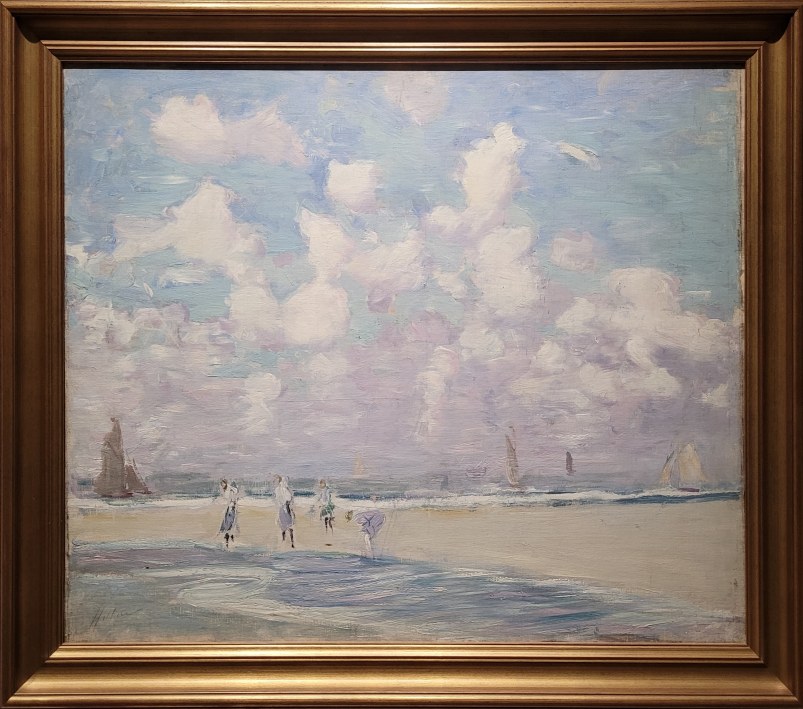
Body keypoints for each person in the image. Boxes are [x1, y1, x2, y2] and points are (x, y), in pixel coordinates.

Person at [273, 475, 295, 548]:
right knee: (285, 525)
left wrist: (285, 504)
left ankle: (288, 541)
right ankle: (288, 542)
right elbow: (288, 499)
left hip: (284, 508)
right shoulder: (279, 489)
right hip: (284, 508)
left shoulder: (282, 489)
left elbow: (288, 499)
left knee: (286, 525)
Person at [218, 479, 239, 548]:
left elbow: (231, 500)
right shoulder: (228, 490)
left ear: (226, 483)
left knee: (229, 525)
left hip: (230, 509)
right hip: (229, 509)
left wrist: (227, 509)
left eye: (223, 484)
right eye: (221, 484)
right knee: (229, 526)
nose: (222, 485)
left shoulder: (230, 491)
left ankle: (229, 542)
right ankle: (229, 542)